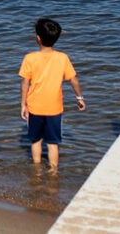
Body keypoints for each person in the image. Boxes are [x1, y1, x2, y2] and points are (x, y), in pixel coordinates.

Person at [19, 17, 85, 173]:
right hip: (54, 108)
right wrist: (79, 98)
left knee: (35, 141)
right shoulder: (62, 58)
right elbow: (74, 80)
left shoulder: (30, 58)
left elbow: (25, 84)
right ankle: (53, 172)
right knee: (52, 143)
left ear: (38, 38)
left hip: (34, 107)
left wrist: (23, 104)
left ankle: (36, 169)